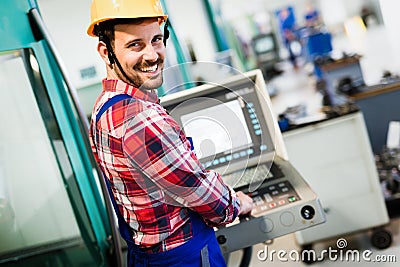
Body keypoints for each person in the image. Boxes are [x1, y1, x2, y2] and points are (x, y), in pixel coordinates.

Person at [86, 0, 253, 266]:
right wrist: (236, 203)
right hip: (183, 257)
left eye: (156, 40)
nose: (152, 55)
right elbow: (196, 187)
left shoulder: (105, 104)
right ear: (106, 52)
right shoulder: (139, 117)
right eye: (135, 45)